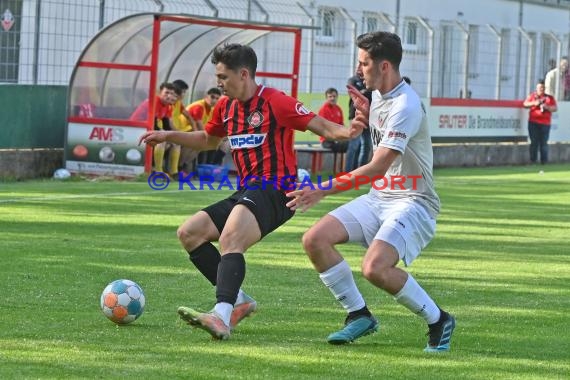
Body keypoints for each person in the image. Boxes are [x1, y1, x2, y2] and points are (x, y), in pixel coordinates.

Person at [138, 43, 362, 340]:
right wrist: (168, 134)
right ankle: (239, 300)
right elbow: (207, 139)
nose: (218, 83)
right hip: (247, 190)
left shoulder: (275, 101)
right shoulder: (226, 107)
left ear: (243, 74)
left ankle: (221, 315)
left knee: (231, 237)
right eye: (217, 76)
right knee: (190, 233)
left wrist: (349, 131)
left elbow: (321, 126)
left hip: (277, 190)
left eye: (223, 77)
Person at [286, 31, 456, 352]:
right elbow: (373, 148)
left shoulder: (406, 104)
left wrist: (323, 189)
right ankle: (359, 315)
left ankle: (439, 320)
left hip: (413, 201)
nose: (359, 68)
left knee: (374, 268)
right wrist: (361, 120)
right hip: (380, 197)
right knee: (314, 240)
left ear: (385, 66)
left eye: (364, 63)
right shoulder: (377, 94)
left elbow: (377, 167)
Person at [130, 82, 177, 173]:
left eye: (171, 93)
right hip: (136, 129)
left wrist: (174, 136)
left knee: (176, 143)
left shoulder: (167, 105)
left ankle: (174, 172)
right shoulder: (154, 101)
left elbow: (166, 125)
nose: (169, 96)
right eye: (166, 93)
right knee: (161, 142)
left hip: (146, 130)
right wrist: (165, 135)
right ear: (160, 92)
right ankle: (157, 171)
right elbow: (153, 123)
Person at [523, 79, 557, 165]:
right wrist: (534, 103)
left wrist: (547, 107)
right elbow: (525, 104)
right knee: (534, 142)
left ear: (544, 88)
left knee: (544, 143)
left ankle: (544, 162)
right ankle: (533, 160)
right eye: (539, 88)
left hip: (545, 124)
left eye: (542, 88)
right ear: (536, 88)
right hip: (533, 122)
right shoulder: (532, 96)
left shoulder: (549, 98)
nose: (541, 89)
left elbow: (555, 108)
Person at [186, 87, 223, 166]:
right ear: (206, 96)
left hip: (193, 131)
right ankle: (187, 166)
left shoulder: (212, 109)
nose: (214, 100)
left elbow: (211, 125)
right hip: (185, 130)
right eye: (212, 97)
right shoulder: (199, 106)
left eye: (217, 98)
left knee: (219, 142)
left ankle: (209, 166)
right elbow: (199, 124)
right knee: (206, 143)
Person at [168, 79, 195, 178]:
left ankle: (182, 167)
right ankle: (177, 170)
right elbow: (169, 122)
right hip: (169, 131)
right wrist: (178, 134)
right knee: (183, 143)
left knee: (196, 144)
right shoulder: (169, 103)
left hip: (178, 131)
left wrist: (196, 131)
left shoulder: (179, 103)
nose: (184, 94)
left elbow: (189, 117)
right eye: (183, 92)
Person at [344, 75, 372, 172]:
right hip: (356, 116)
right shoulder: (353, 80)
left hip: (370, 117)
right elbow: (354, 94)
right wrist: (366, 92)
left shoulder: (372, 79)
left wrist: (365, 92)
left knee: (366, 146)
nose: (360, 67)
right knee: (353, 145)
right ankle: (347, 172)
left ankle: (360, 172)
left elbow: (377, 94)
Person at [318, 87, 349, 155]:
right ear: (326, 98)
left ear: (337, 97)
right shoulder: (323, 110)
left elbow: (341, 125)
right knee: (343, 147)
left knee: (352, 145)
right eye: (330, 96)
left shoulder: (338, 109)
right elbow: (324, 127)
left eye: (334, 96)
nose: (332, 98)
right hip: (327, 140)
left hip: (337, 138)